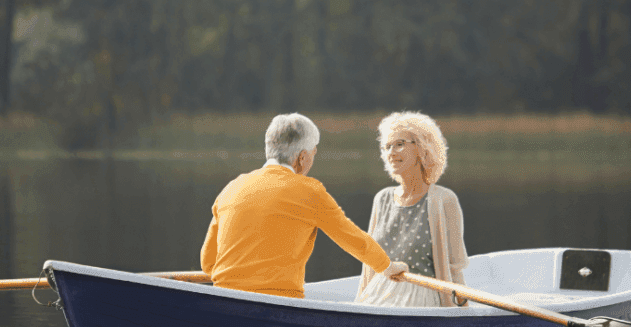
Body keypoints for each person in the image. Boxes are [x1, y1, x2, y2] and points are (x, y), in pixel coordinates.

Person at [201, 113, 408, 299]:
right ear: (302, 157)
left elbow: (208, 263)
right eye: (313, 153)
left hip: (223, 296)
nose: (312, 160)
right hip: (280, 302)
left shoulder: (231, 187)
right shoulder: (310, 191)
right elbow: (352, 239)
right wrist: (386, 266)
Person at [355, 111, 469, 307]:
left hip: (421, 303)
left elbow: (454, 269)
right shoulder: (382, 199)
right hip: (376, 299)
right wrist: (356, 307)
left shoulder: (444, 199)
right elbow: (369, 265)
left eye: (399, 144)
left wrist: (461, 316)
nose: (391, 152)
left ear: (422, 147)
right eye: (387, 147)